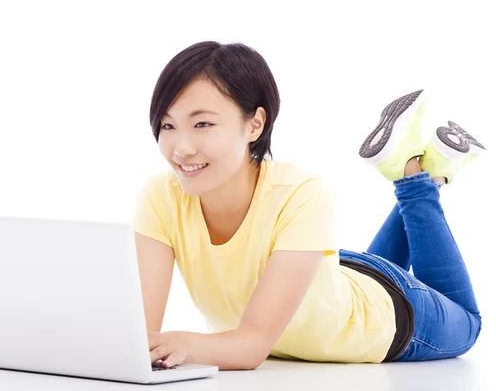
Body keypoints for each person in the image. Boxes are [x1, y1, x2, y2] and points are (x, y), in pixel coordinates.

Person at [133, 41, 486, 370]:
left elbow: (253, 343)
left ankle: (412, 179)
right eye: (168, 124)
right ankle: (429, 172)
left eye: (202, 124)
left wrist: (184, 343)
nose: (181, 148)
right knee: (345, 294)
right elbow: (138, 335)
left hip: (387, 316)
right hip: (329, 280)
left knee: (469, 323)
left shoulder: (301, 194)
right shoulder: (161, 195)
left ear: (255, 123)